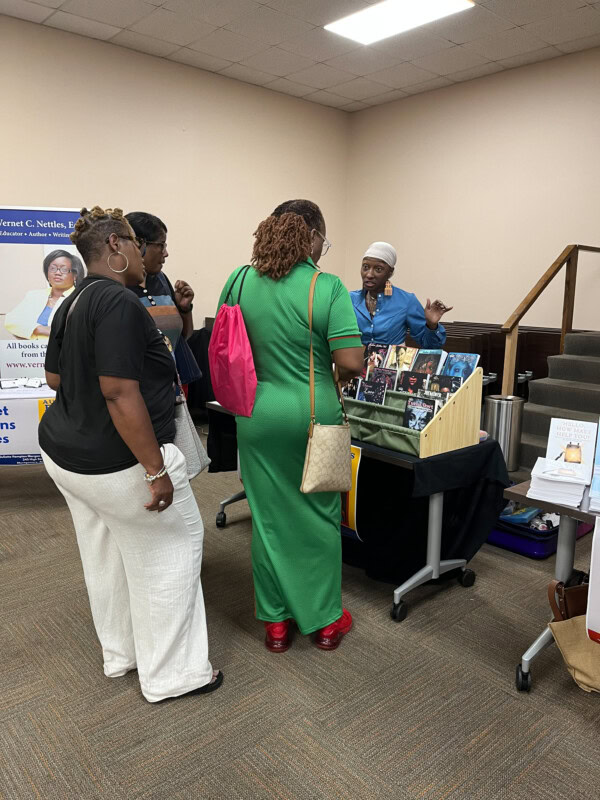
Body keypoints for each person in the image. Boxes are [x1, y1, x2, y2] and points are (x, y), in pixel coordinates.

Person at [38, 206, 222, 702]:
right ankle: (173, 675)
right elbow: (120, 392)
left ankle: (122, 655)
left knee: (107, 553)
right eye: (136, 246)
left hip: (66, 455)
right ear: (117, 247)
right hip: (114, 462)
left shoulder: (74, 300)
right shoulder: (119, 304)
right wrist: (156, 469)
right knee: (173, 550)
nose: (145, 255)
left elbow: (56, 378)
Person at [217, 199, 363, 653]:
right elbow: (351, 361)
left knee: (266, 518)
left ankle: (277, 624)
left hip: (254, 414)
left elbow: (224, 343)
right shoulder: (327, 286)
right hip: (313, 417)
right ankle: (323, 621)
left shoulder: (239, 280)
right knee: (319, 517)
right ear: (313, 236)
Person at [350, 241, 452, 346]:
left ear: (390, 272)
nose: (369, 274)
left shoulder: (407, 301)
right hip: (355, 361)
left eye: (378, 269)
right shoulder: (349, 299)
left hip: (392, 362)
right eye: (365, 267)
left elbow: (429, 345)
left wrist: (431, 326)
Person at [125, 212, 194, 350]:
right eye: (161, 245)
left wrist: (184, 309)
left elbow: (181, 338)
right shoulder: (119, 287)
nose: (166, 253)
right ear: (138, 245)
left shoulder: (160, 279)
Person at [4, 250, 85, 340]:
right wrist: (39, 329)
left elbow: (79, 331)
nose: (57, 273)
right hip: (31, 352)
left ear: (75, 275)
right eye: (53, 268)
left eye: (64, 269)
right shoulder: (34, 295)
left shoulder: (82, 298)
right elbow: (11, 320)